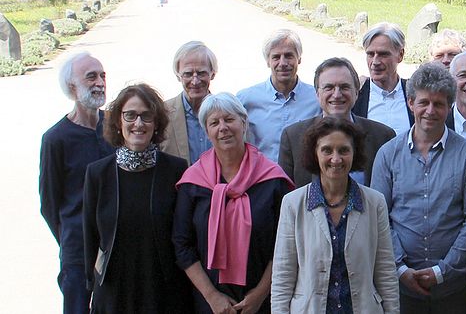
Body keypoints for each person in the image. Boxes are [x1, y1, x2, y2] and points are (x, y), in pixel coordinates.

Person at [371, 62, 466, 314]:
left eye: (439, 104)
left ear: (450, 106)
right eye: (423, 102)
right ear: (410, 103)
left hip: (452, 287)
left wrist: (442, 271)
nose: (430, 111)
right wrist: (400, 268)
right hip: (400, 286)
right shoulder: (388, 154)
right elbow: (379, 216)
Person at [173, 92, 294, 314]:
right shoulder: (193, 182)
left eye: (229, 119)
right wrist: (212, 297)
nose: (223, 128)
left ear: (244, 122)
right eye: (214, 123)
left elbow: (285, 245)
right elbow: (182, 245)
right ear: (206, 131)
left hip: (264, 300)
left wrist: (259, 295)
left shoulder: (273, 180)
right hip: (209, 303)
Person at [83, 84, 193, 313]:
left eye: (146, 116)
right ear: (118, 122)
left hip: (164, 293)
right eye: (130, 115)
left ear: (156, 124)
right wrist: (91, 287)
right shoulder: (97, 174)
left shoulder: (176, 170)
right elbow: (90, 237)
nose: (138, 123)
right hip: (114, 292)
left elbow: (185, 236)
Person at [272, 118, 400, 313]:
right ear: (314, 154)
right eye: (327, 150)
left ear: (354, 153)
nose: (336, 158)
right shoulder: (293, 204)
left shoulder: (375, 203)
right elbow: (283, 276)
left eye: (344, 150)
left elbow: (385, 273)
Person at [40, 51, 114, 314]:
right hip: (77, 251)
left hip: (117, 245)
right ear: (72, 86)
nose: (100, 82)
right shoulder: (55, 139)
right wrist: (73, 240)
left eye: (103, 76)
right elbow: (49, 204)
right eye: (91, 77)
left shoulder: (116, 127)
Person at [279, 57, 395, 187]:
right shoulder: (293, 137)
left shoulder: (382, 136)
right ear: (317, 93)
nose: (337, 94)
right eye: (329, 87)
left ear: (356, 92)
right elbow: (285, 195)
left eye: (344, 87)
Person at [237, 29, 321, 162]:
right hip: (262, 178)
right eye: (276, 57)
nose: (282, 63)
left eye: (289, 56)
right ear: (267, 61)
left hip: (302, 179)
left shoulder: (317, 98)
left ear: (299, 59)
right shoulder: (245, 100)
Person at [161, 41, 218, 164]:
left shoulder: (226, 113)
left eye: (202, 73)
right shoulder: (162, 114)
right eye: (188, 74)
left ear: (212, 74)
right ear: (178, 76)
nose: (195, 81)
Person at [352, 22, 413, 135]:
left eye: (383, 54)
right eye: (370, 54)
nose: (375, 62)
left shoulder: (414, 94)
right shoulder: (356, 97)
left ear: (400, 55)